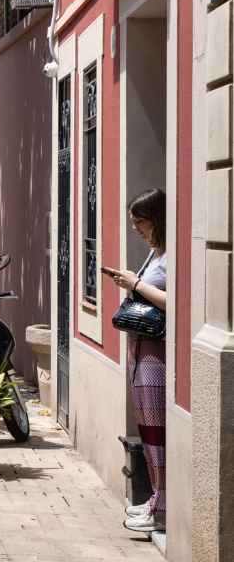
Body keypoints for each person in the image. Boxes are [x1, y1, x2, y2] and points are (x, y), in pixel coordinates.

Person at [104, 189, 167, 534]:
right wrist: (131, 279)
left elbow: (172, 301)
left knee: (157, 429)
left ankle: (163, 505)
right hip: (140, 350)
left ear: (155, 219)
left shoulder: (171, 257)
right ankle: (157, 497)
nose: (135, 229)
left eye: (139, 222)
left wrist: (136, 283)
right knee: (148, 427)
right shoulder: (155, 254)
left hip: (157, 353)